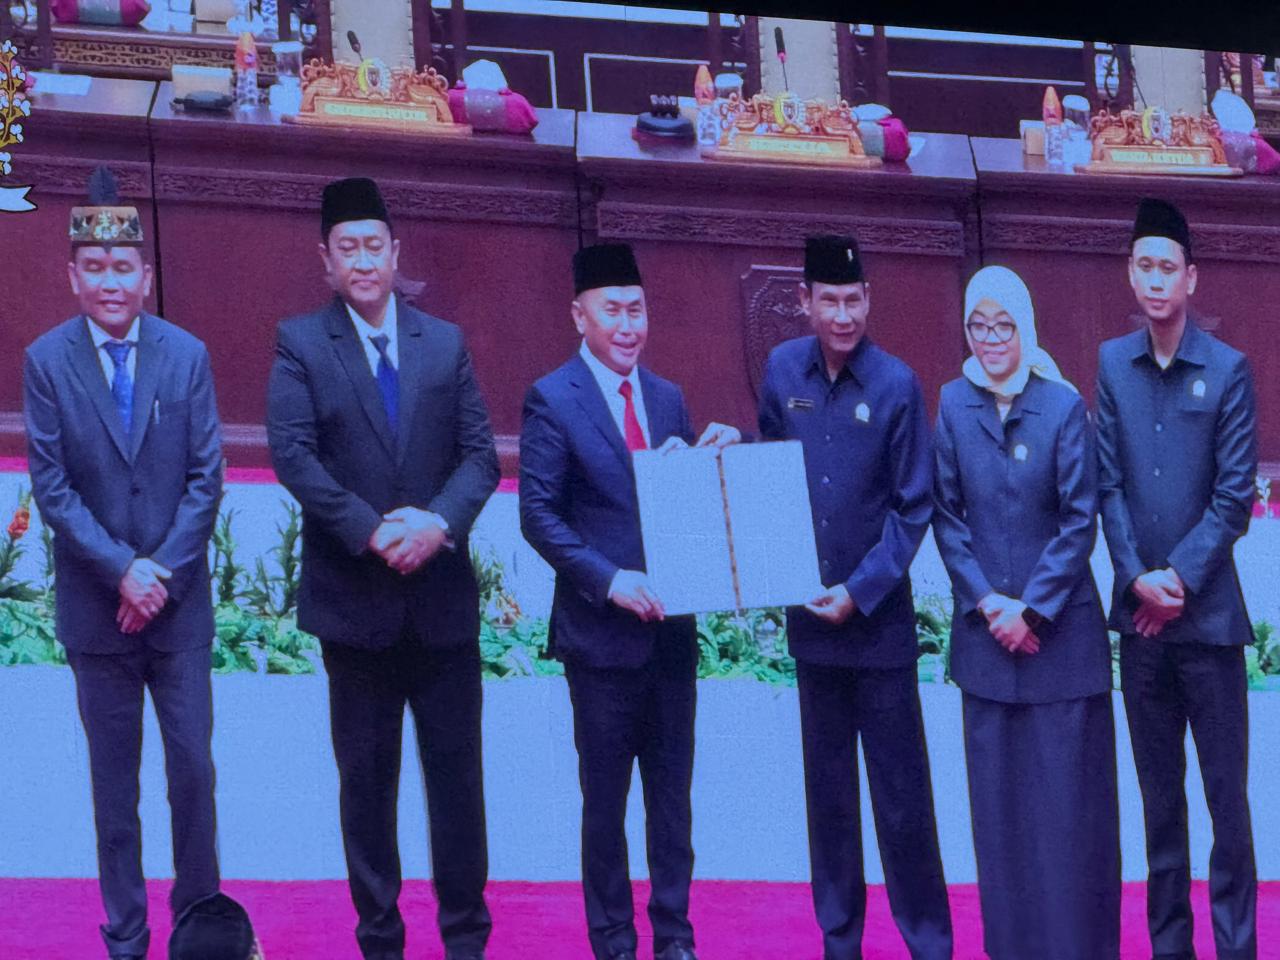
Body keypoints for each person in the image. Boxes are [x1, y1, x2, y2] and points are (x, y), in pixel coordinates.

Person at [266, 177, 499, 960]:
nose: (363, 262)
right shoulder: (301, 343)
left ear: (396, 253)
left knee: (457, 786)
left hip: (440, 606)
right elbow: (294, 457)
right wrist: (371, 532)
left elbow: (480, 458)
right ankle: (380, 941)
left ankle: (465, 940)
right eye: (348, 249)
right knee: (367, 788)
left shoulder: (446, 343)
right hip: (355, 608)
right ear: (326, 260)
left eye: (374, 246)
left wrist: (437, 524)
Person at [23, 166, 224, 960]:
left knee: (193, 775)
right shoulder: (47, 361)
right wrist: (123, 573)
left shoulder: (187, 355)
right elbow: (53, 487)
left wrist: (159, 574)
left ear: (147, 275)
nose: (110, 283)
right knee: (116, 791)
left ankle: (200, 930)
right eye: (95, 268)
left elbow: (206, 480)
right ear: (73, 276)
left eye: (123, 267)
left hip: (178, 610)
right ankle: (127, 937)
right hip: (98, 613)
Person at [518, 242, 740, 960]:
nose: (627, 325)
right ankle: (613, 939)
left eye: (636, 310)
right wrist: (610, 580)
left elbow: (683, 510)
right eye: (611, 310)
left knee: (673, 802)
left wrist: (714, 463)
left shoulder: (668, 398)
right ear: (578, 315)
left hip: (671, 637)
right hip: (601, 640)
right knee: (606, 804)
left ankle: (675, 936)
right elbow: (538, 515)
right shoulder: (552, 398)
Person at [756, 234, 952, 960]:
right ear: (804, 301)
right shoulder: (783, 372)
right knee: (830, 799)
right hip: (812, 625)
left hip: (878, 629)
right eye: (828, 301)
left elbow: (913, 507)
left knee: (902, 801)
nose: (842, 316)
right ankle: (840, 940)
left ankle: (928, 941)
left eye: (853, 300)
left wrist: (860, 591)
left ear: (869, 299)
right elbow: (770, 478)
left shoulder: (897, 384)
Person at [933, 265, 1120, 959]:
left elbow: (1079, 520)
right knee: (1001, 820)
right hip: (988, 649)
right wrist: (988, 604)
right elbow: (947, 516)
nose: (990, 339)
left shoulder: (1062, 406)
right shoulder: (953, 404)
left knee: (1068, 819)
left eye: (1003, 325)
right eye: (978, 326)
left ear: (1026, 327)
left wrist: (1031, 611)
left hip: (1059, 650)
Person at [1097, 197, 1258, 960]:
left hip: (1209, 628)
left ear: (1191, 278)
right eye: (1145, 266)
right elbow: (1106, 486)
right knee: (1160, 806)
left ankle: (1236, 947)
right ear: (1130, 274)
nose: (1157, 280)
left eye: (1169, 267)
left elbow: (1234, 499)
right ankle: (1170, 948)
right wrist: (1136, 580)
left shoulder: (1228, 371)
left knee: (1227, 804)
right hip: (1143, 630)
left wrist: (1176, 583)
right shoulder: (1111, 365)